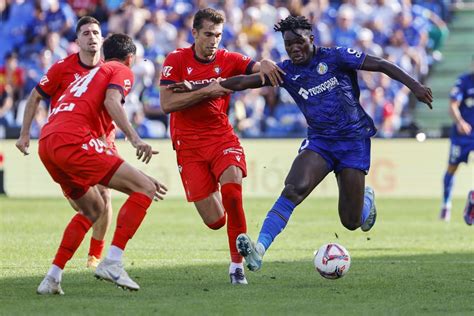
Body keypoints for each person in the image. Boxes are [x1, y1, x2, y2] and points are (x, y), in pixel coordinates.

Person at [169, 15, 433, 272]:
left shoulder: (335, 56)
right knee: (294, 188)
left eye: (300, 42)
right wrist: (198, 87)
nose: (294, 49)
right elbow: (242, 82)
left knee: (351, 221)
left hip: (353, 141)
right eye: (288, 45)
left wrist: (415, 86)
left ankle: (365, 203)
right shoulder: (287, 72)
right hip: (320, 142)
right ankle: (259, 249)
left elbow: (382, 64)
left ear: (312, 39)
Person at [35, 33, 167, 295]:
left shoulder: (90, 74)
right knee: (145, 189)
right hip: (72, 140)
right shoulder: (121, 70)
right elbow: (111, 101)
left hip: (48, 141)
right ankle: (113, 262)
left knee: (93, 208)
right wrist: (135, 138)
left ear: (104, 55)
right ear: (131, 58)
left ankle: (52, 277)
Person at [159, 8, 280, 285]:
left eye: (219, 35)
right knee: (215, 221)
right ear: (195, 33)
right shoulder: (176, 60)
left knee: (233, 193)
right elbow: (167, 104)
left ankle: (237, 266)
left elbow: (255, 68)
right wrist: (209, 91)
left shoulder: (228, 59)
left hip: (220, 137)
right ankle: (229, 222)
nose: (214, 40)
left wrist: (265, 62)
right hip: (187, 145)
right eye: (208, 34)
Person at [16, 16, 112, 269]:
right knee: (86, 206)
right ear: (77, 40)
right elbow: (35, 97)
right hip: (67, 143)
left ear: (102, 39)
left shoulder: (109, 71)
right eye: (86, 33)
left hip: (99, 138)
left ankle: (95, 256)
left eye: (95, 32)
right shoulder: (62, 68)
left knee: (104, 196)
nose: (92, 37)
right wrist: (25, 133)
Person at [439, 61, 474, 225]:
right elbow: (453, 105)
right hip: (463, 135)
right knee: (452, 168)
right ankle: (446, 205)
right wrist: (460, 122)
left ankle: (472, 200)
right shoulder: (464, 81)